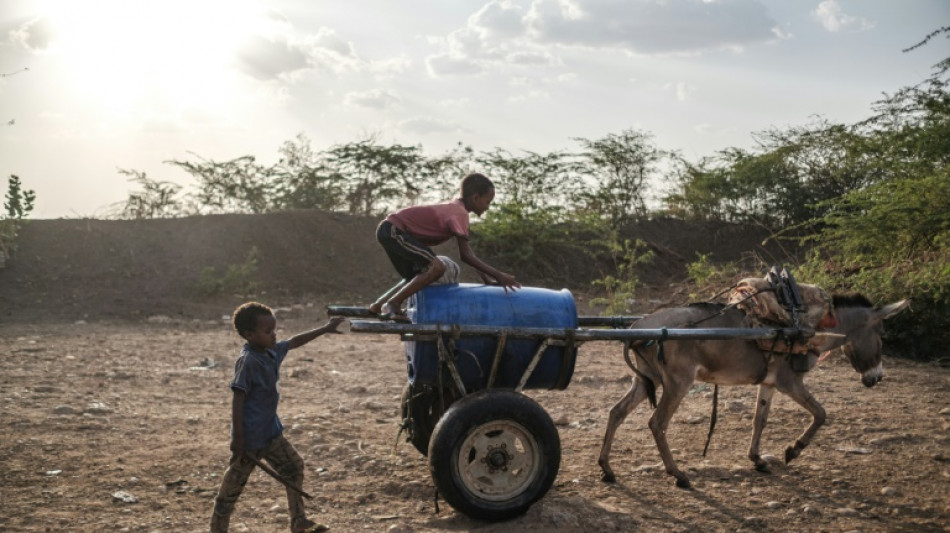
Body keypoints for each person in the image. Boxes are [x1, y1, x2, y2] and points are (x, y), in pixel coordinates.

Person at [210, 302, 345, 533]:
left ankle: (298, 521)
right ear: (249, 335)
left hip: (271, 434)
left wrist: (325, 329)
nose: (274, 335)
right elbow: (238, 398)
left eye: (274, 330)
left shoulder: (271, 352)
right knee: (230, 492)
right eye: (268, 331)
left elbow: (293, 342)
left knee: (293, 468)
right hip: (250, 440)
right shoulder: (248, 361)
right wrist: (238, 438)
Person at [368, 172, 520, 322]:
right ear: (475, 198)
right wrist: (499, 275)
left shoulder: (456, 209)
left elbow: (469, 254)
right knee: (437, 267)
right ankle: (393, 304)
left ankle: (378, 305)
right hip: (395, 230)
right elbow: (466, 256)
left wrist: (486, 279)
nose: (487, 207)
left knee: (416, 275)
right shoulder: (459, 213)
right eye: (487, 202)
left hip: (390, 230)